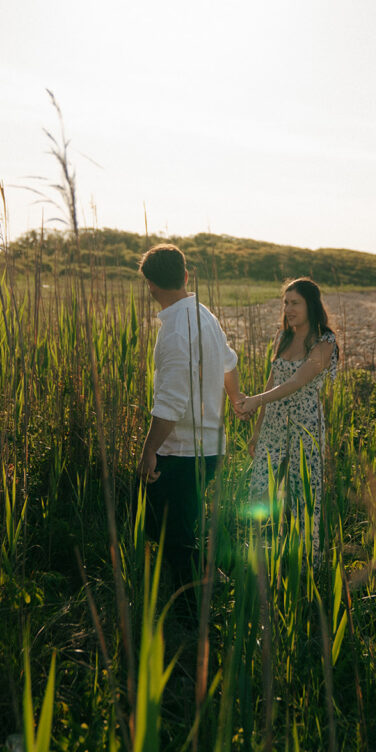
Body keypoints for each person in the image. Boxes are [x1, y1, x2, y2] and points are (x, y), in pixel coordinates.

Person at [137, 243, 243, 606]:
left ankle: (190, 615)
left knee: (174, 537)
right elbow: (229, 364)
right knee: (175, 528)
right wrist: (236, 399)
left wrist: (150, 449)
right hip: (210, 448)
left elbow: (171, 401)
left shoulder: (176, 332)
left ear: (150, 284)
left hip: (181, 453)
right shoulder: (205, 316)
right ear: (185, 276)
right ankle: (210, 583)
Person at [240, 277, 338, 561]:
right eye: (285, 302)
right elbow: (273, 381)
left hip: (304, 427)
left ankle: (306, 563)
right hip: (272, 425)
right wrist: (257, 430)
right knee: (259, 489)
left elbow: (296, 381)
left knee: (303, 496)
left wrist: (255, 400)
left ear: (311, 305)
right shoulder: (282, 337)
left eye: (295, 303)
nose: (289, 308)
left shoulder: (325, 342)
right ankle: (260, 556)